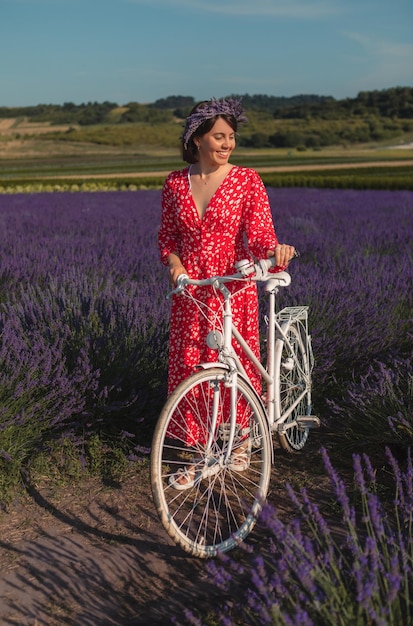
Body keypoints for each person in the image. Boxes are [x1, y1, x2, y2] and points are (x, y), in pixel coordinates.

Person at [158, 98, 295, 488]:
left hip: (233, 287)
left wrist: (276, 251)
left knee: (234, 362)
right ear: (196, 138)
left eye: (231, 137)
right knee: (190, 366)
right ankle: (197, 450)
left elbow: (262, 235)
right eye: (219, 136)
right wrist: (176, 265)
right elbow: (168, 237)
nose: (227, 143)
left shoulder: (247, 179)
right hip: (193, 291)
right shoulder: (173, 183)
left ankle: (240, 439)